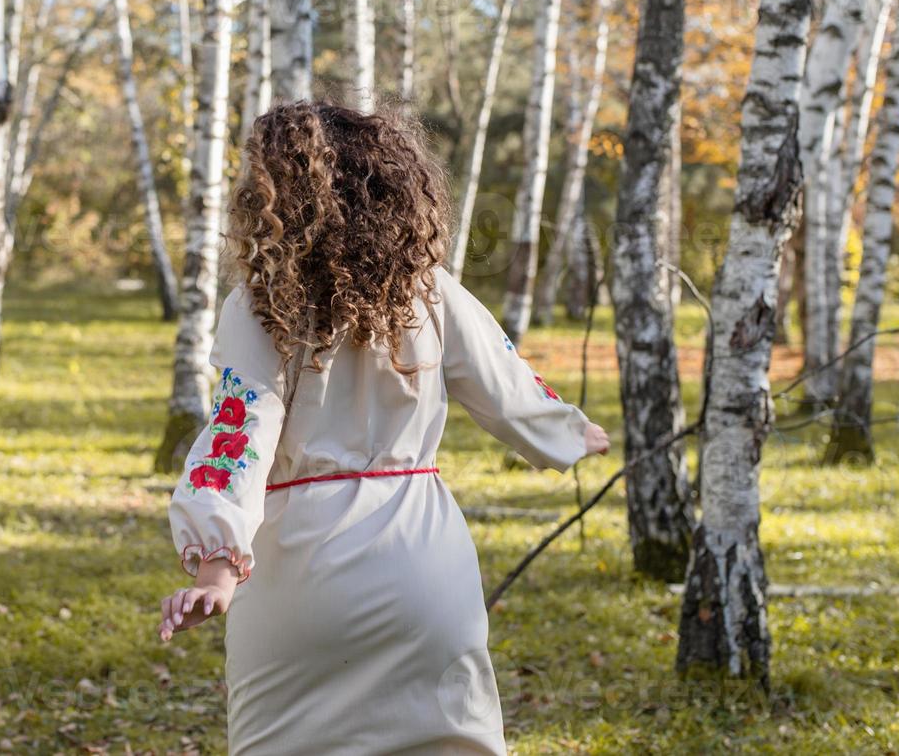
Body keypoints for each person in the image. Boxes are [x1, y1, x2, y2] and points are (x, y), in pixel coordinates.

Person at [158, 101, 610, 754]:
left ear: (273, 198)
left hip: (304, 573)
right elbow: (505, 388)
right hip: (420, 561)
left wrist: (218, 566)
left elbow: (240, 431)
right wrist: (570, 432)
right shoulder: (430, 292)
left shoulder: (257, 307)